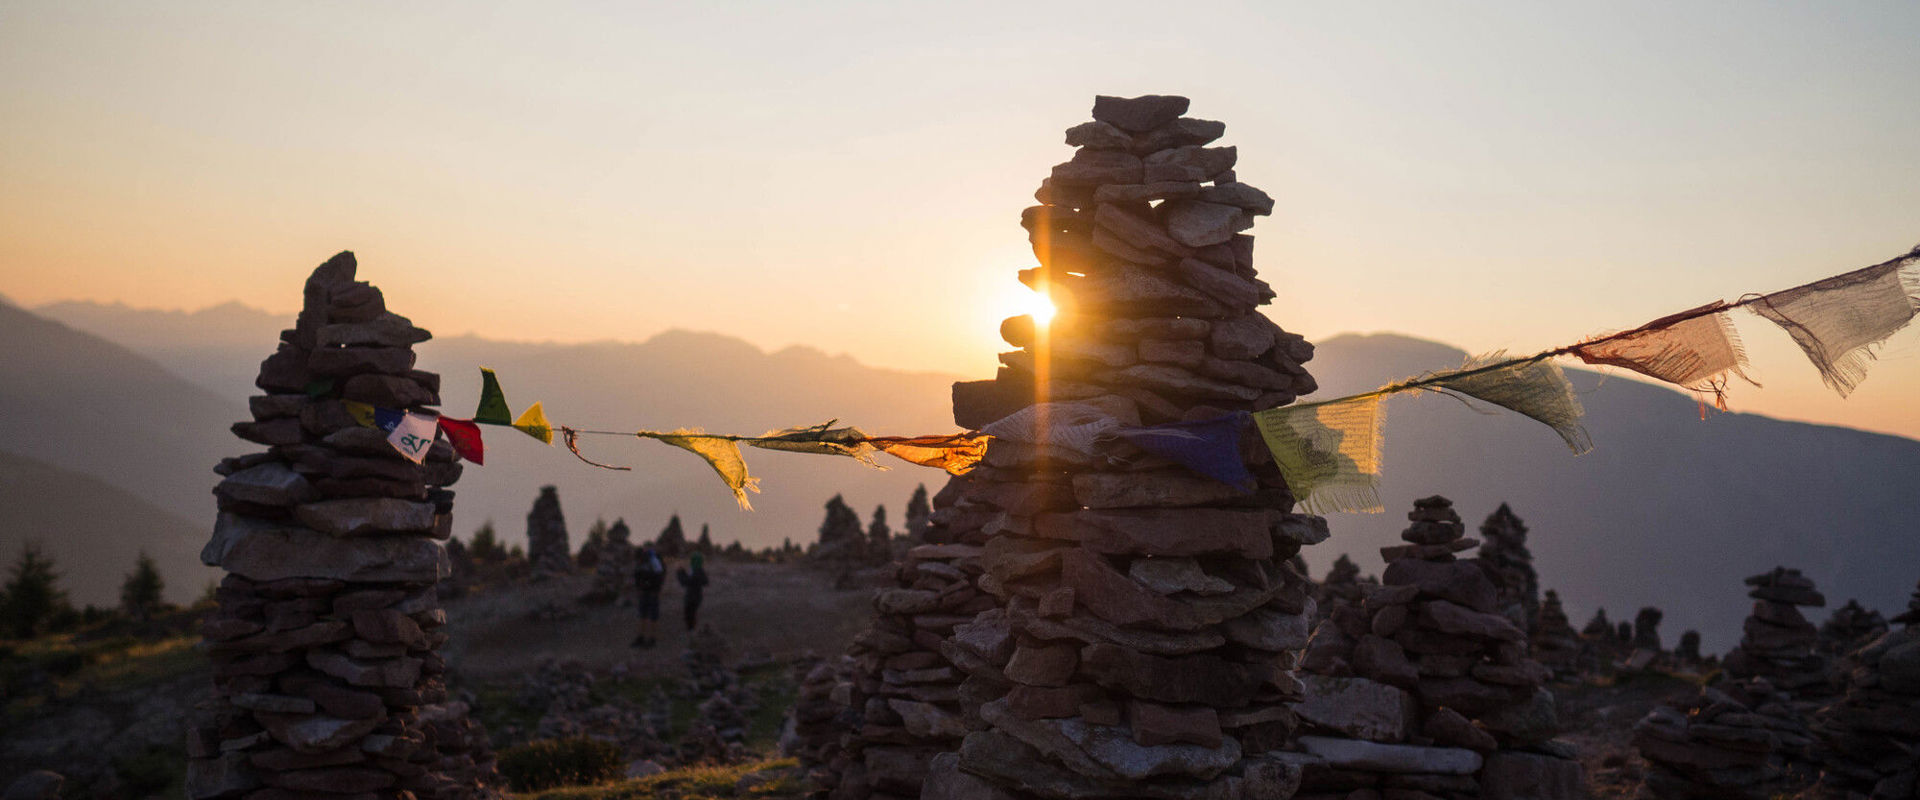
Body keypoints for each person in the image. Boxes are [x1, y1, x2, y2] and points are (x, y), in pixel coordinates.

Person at [631, 545, 665, 648]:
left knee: (651, 616)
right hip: (647, 592)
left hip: (651, 592)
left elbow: (659, 577)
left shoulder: (652, 562)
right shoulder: (646, 562)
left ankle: (651, 639)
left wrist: (656, 590)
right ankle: (643, 638)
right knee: (644, 616)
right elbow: (637, 577)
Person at [675, 552, 710, 631]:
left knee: (689, 616)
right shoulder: (698, 570)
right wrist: (683, 572)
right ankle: (692, 630)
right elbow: (703, 581)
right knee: (691, 615)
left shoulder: (697, 571)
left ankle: (692, 632)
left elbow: (685, 582)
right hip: (696, 596)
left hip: (692, 597)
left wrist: (679, 572)